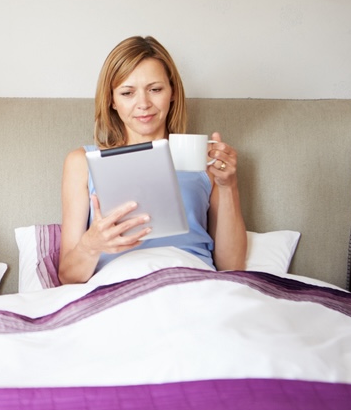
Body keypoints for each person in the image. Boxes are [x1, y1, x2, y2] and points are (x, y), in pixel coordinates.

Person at [58, 36, 246, 285]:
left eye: (155, 89)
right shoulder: (82, 162)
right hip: (118, 285)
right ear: (112, 100)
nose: (143, 104)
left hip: (191, 281)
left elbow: (232, 266)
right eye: (127, 93)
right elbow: (68, 277)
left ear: (172, 93)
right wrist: (91, 244)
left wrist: (228, 184)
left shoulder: (204, 159)